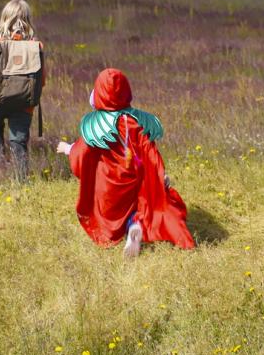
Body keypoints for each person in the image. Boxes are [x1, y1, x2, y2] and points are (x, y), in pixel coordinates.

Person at [56, 68, 195, 257]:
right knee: (140, 202)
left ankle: (129, 230)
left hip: (108, 184)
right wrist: (160, 174)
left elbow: (82, 153)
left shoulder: (96, 126)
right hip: (134, 176)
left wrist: (67, 149)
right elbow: (149, 151)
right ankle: (134, 225)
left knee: (110, 214)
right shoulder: (136, 121)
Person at [0, 0, 44, 181]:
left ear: (5, 17)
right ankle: (20, 180)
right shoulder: (35, 45)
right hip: (24, 103)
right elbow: (42, 80)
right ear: (28, 18)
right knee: (19, 141)